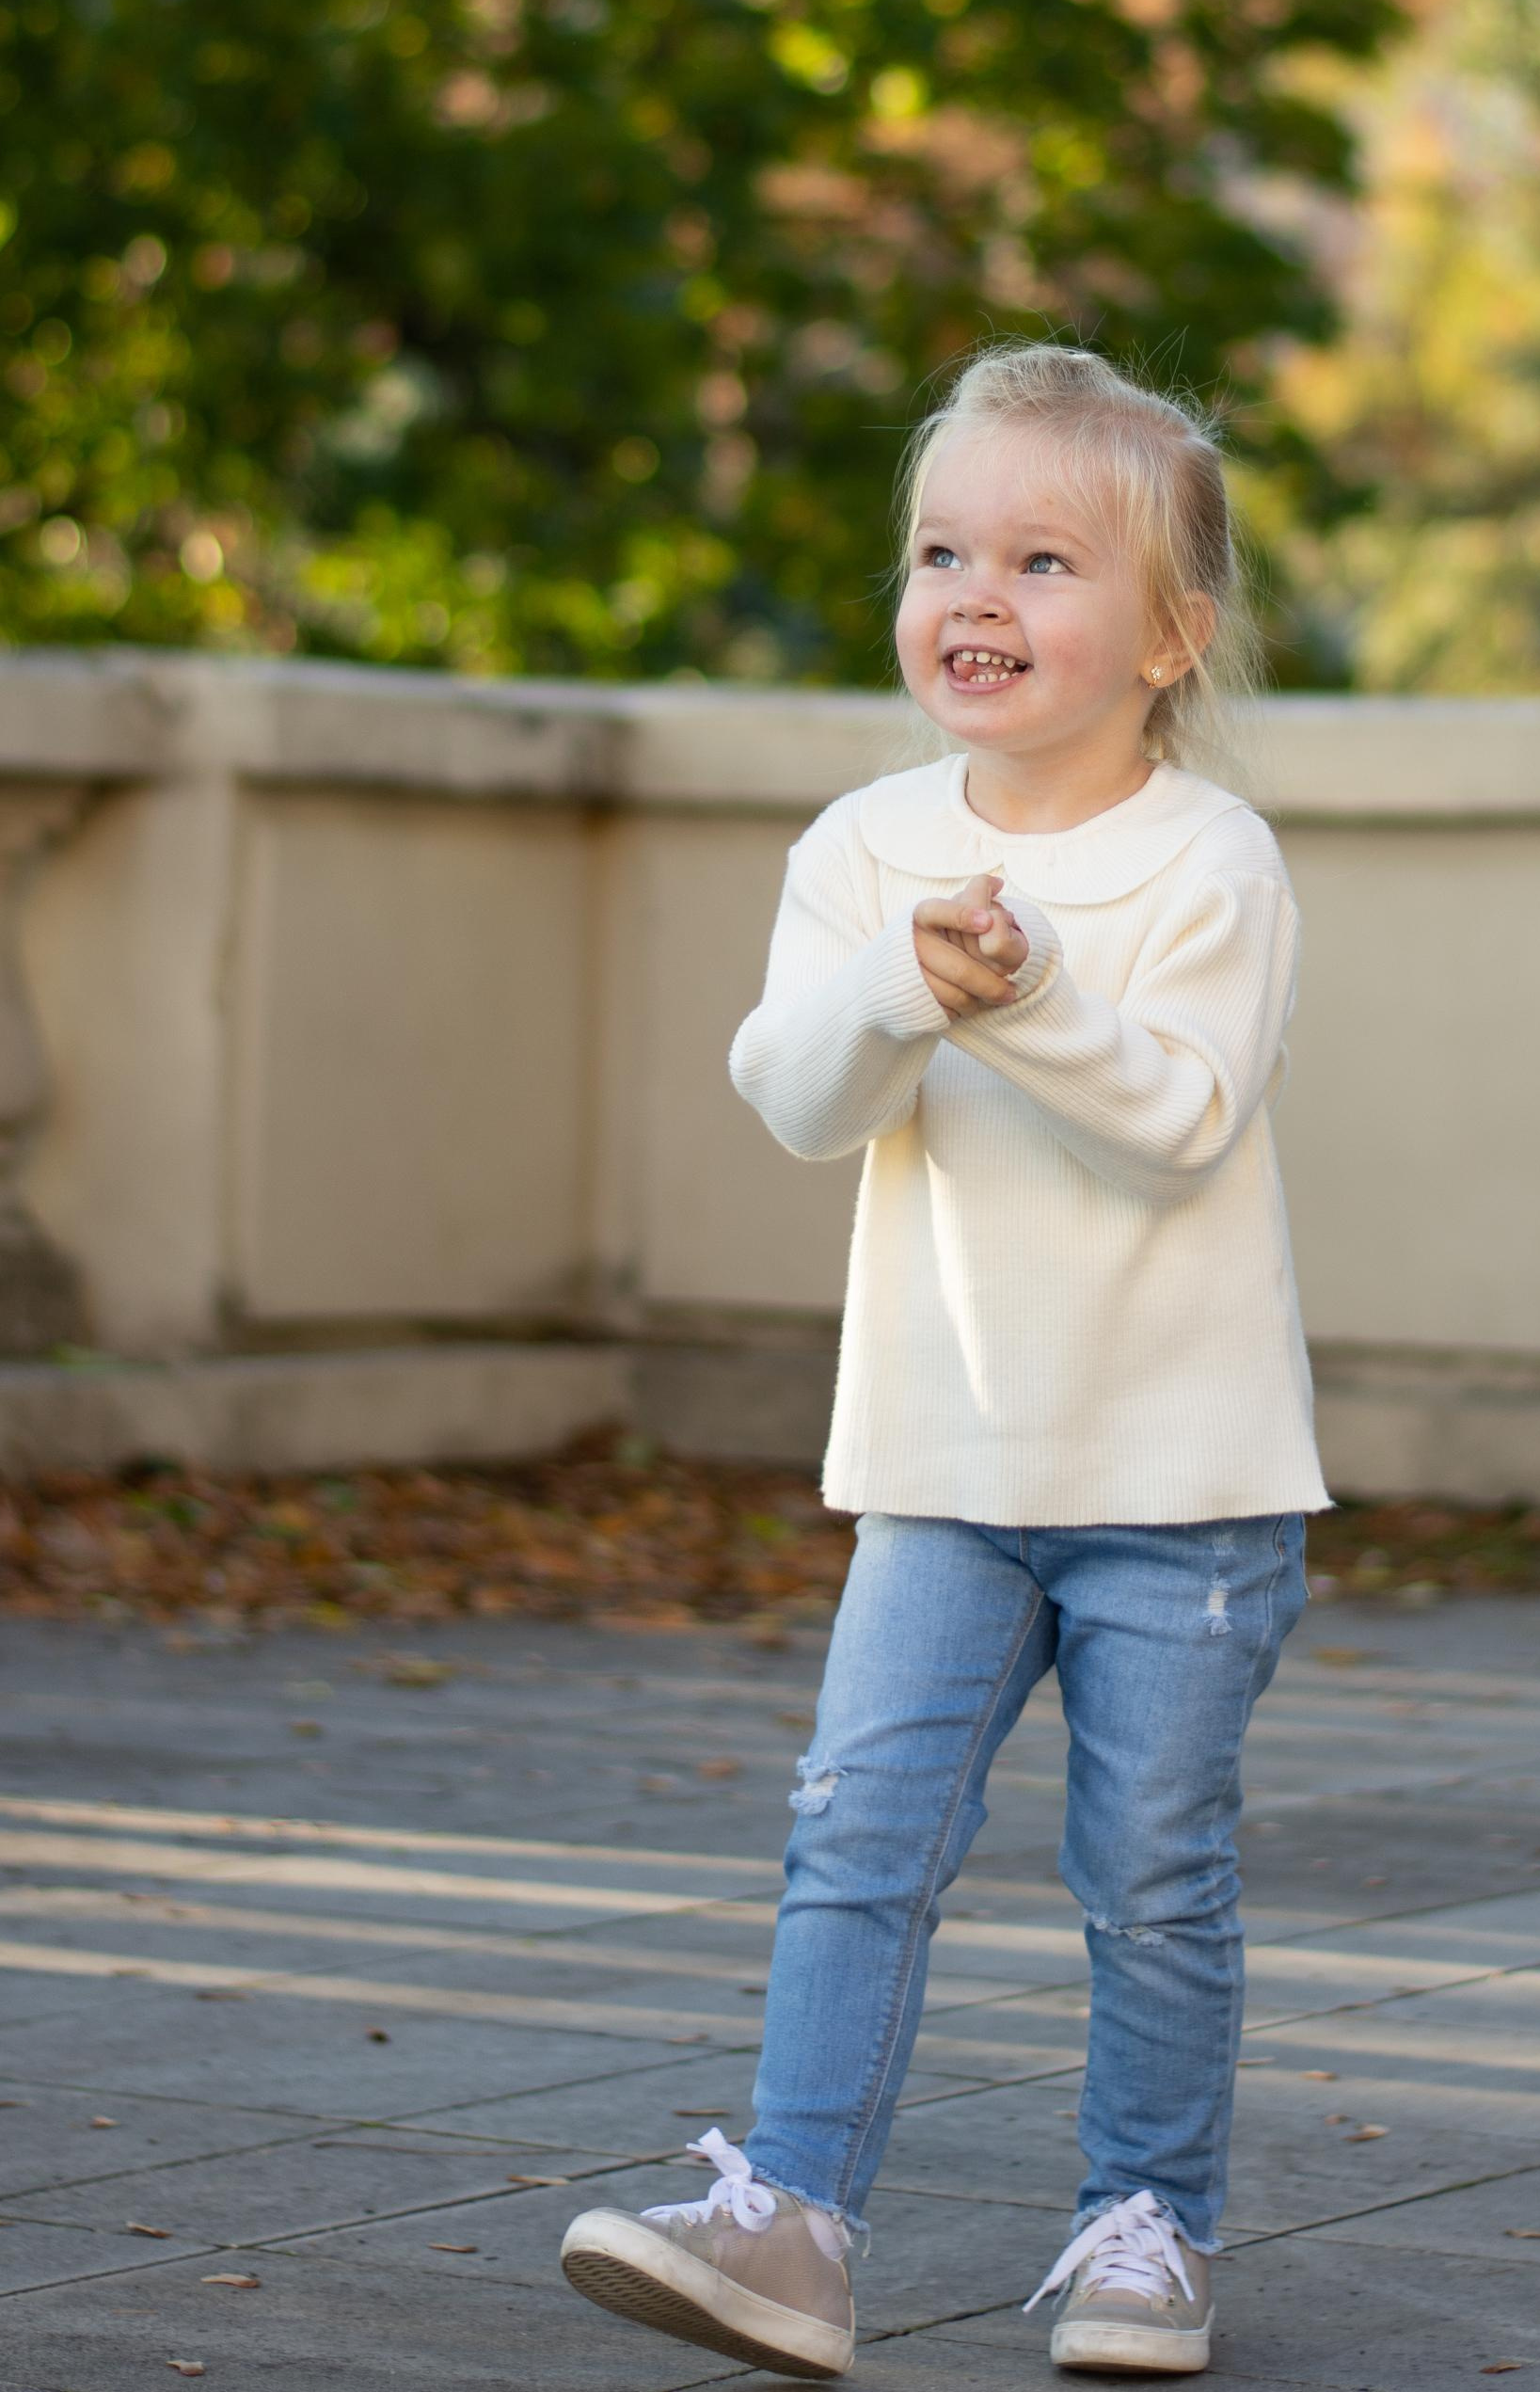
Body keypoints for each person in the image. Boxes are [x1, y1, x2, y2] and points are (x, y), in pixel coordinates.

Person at [561, 340, 1327, 2380]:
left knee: (1150, 1876)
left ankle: (1145, 2234)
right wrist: (907, 984)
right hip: (941, 1472)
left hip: (1187, 1493)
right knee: (855, 1837)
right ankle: (791, 2223)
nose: (975, 595)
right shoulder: (863, 850)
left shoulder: (1210, 864)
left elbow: (1177, 1121)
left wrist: (1031, 988)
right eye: (941, 553)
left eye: (1044, 561)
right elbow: (797, 1095)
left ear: (1171, 635)